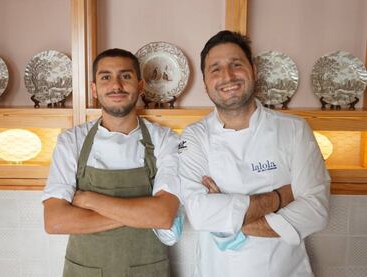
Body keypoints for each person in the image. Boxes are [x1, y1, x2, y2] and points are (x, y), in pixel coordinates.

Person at [178, 30, 330, 277]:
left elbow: (316, 211)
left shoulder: (294, 129)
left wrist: (229, 216)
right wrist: (280, 197)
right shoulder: (193, 137)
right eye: (215, 69)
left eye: (236, 64)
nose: (227, 76)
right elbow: (200, 214)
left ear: (254, 70)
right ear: (205, 83)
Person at [42, 48, 180, 277]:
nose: (116, 85)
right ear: (94, 89)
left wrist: (89, 199)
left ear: (141, 85)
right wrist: (139, 214)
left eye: (125, 76)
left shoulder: (165, 140)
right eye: (106, 77)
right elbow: (55, 221)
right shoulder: (71, 141)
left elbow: (163, 216)